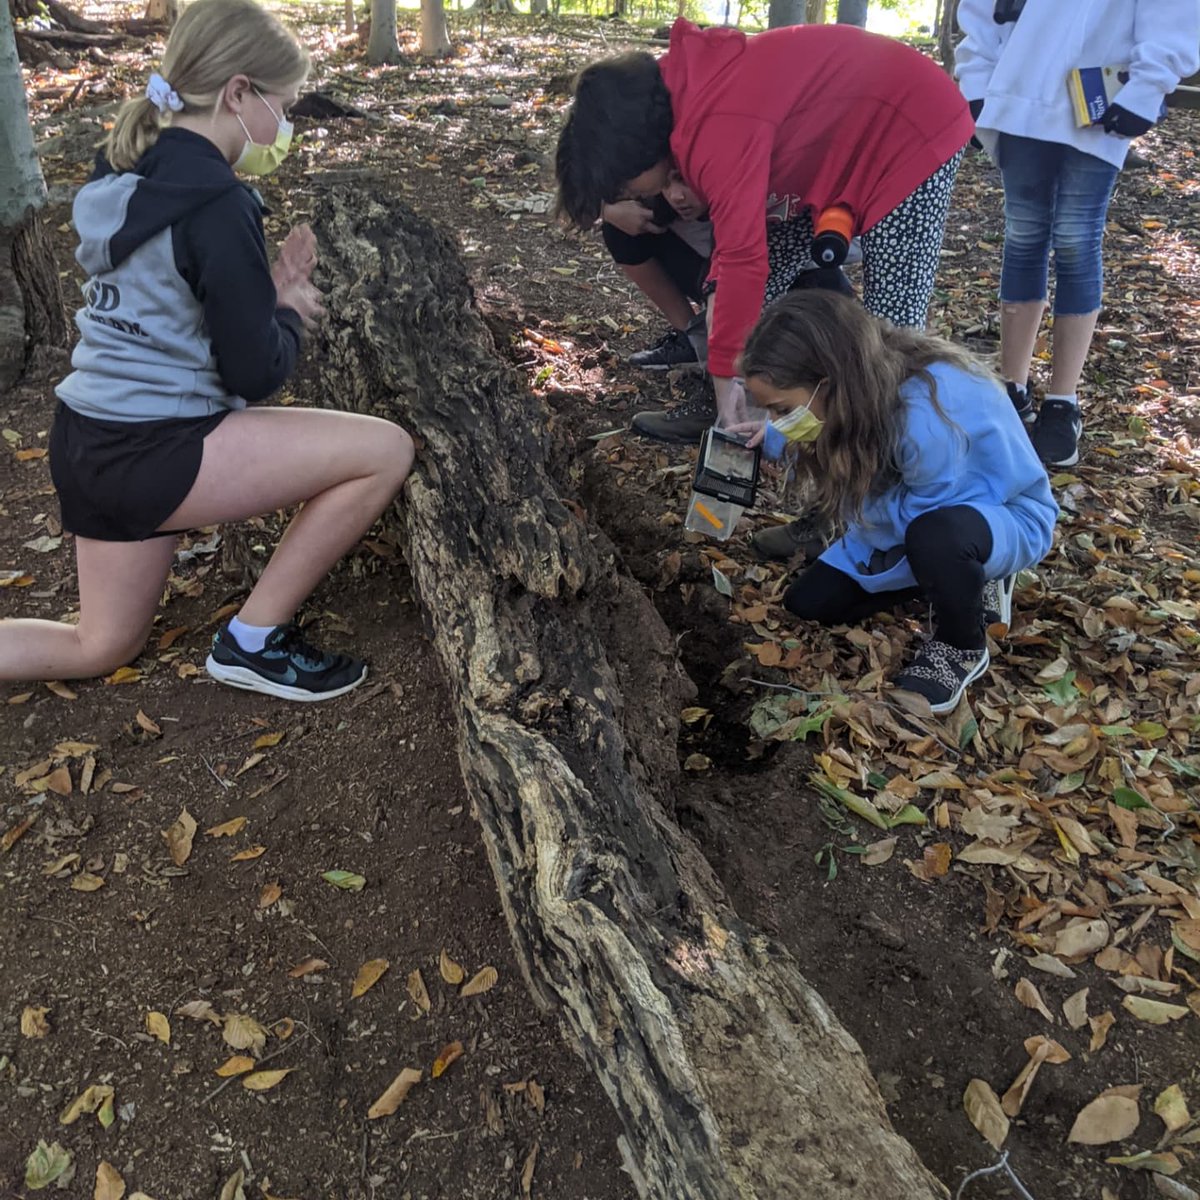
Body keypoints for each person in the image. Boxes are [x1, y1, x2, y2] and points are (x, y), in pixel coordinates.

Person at [0, 0, 414, 702]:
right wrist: (285, 311)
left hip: (87, 442)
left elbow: (169, 303)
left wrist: (260, 295)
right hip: (156, 450)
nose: (285, 128)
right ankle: (254, 641)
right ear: (238, 93)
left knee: (100, 644)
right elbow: (253, 371)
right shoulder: (219, 204)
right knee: (386, 450)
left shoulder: (122, 167)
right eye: (284, 107)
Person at [555, 19, 973, 454]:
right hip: (829, 151)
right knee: (753, 292)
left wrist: (724, 371)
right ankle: (741, 409)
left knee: (892, 337)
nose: (630, 195)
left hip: (912, 126)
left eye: (624, 186)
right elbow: (735, 258)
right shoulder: (667, 96)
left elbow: (742, 259)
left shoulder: (713, 125)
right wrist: (725, 369)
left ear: (637, 149)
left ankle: (885, 465)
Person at [732, 290, 1057, 715]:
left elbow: (925, 519)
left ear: (826, 383)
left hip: (1001, 515)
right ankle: (963, 578)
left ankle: (961, 643)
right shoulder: (860, 386)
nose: (779, 421)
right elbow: (888, 508)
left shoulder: (924, 416)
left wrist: (859, 516)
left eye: (781, 410)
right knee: (809, 603)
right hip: (918, 517)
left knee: (936, 543)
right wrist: (775, 438)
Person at [957, 0, 1200, 467]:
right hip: (1018, 95)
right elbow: (984, 11)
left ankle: (1062, 403)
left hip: (1100, 98)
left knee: (1075, 238)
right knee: (1023, 235)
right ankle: (1013, 388)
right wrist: (977, 80)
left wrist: (1147, 87)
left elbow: (1171, 12)